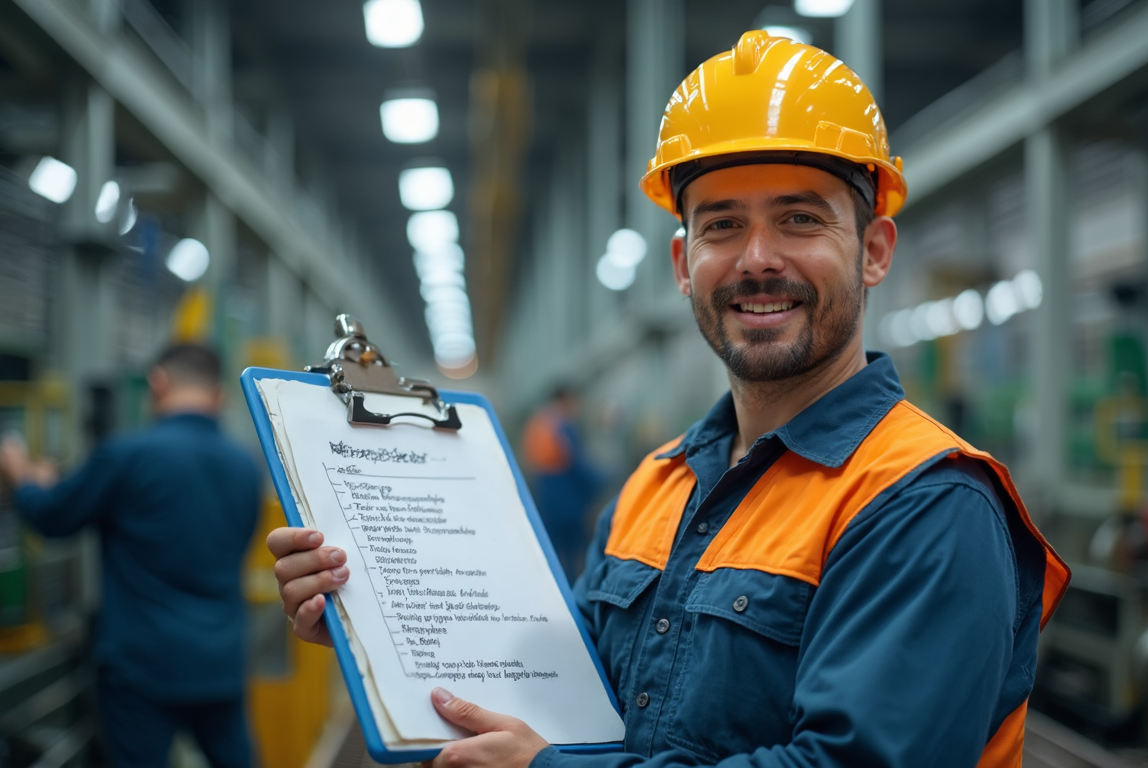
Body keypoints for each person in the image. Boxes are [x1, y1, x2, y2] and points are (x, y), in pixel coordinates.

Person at [266, 31, 1070, 768]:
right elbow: (559, 685)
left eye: (799, 219)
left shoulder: (924, 503)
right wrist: (379, 621)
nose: (758, 259)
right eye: (723, 226)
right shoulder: (658, 483)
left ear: (874, 252)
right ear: (686, 264)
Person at [0, 343, 261, 768]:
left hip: (142, 668)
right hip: (220, 663)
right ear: (218, 395)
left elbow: (53, 519)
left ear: (157, 383)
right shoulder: (246, 465)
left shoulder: (125, 456)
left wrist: (24, 479)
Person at [520, 384, 604, 581]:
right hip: (567, 498)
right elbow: (577, 465)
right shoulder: (563, 425)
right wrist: (602, 479)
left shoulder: (537, 424)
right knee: (576, 558)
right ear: (565, 400)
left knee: (554, 555)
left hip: (546, 496)